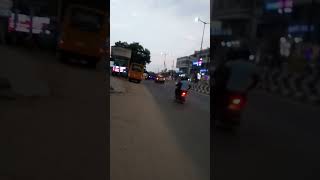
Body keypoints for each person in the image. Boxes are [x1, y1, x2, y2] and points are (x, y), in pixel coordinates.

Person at [213, 48, 259, 121]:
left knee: (217, 101)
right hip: (242, 91)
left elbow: (221, 74)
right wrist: (249, 88)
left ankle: (215, 116)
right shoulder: (252, 66)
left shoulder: (231, 63)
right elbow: (256, 79)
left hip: (228, 89)